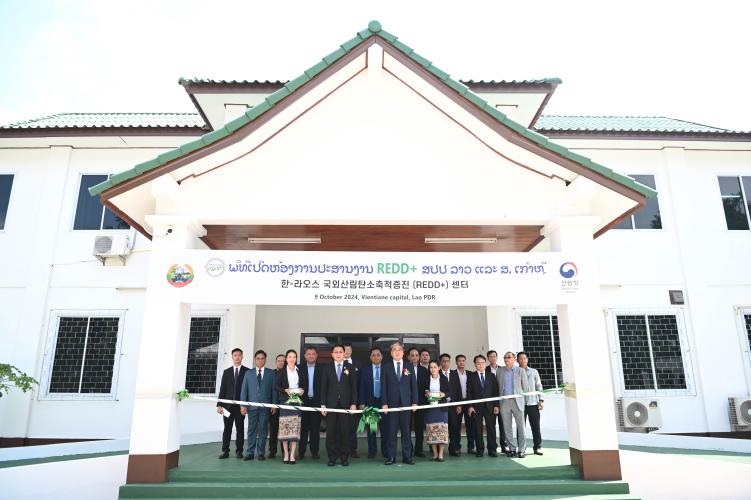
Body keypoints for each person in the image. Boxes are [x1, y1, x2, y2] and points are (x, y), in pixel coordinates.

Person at [380, 341, 418, 465]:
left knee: (406, 432)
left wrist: (414, 402)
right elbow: (383, 387)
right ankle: (391, 456)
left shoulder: (409, 366)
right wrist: (384, 403)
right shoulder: (385, 367)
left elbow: (414, 386)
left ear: (403, 352)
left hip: (406, 403)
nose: (397, 352)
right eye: (394, 350)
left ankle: (407, 456)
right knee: (391, 431)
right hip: (391, 404)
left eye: (399, 350)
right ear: (391, 353)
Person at [320, 344, 357, 466]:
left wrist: (353, 403)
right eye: (336, 352)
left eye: (340, 352)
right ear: (332, 354)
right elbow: (323, 388)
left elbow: (354, 388)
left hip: (346, 405)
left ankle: (344, 457)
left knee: (345, 432)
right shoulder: (327, 368)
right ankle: (332, 457)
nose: (338, 354)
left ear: (344, 353)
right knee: (331, 433)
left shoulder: (350, 367)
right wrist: (323, 404)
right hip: (331, 405)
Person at [239, 350, 277, 461]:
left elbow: (274, 390)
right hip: (252, 407)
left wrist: (274, 404)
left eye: (262, 358)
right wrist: (243, 405)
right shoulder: (248, 373)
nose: (260, 360)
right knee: (251, 429)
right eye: (258, 358)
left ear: (265, 360)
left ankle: (261, 453)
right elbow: (244, 390)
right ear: (255, 359)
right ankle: (250, 453)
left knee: (263, 430)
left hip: (265, 407)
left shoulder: (271, 373)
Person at [217, 348, 249, 459]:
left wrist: (245, 406)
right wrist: (219, 405)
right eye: (235, 355)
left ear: (242, 356)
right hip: (227, 407)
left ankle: (239, 451)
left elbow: (248, 391)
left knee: (240, 429)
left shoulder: (247, 372)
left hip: (240, 407)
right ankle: (225, 451)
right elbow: (223, 390)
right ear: (232, 357)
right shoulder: (227, 372)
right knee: (227, 428)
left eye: (239, 355)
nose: (237, 357)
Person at [275, 349, 306, 464]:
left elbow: (304, 385)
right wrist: (285, 390)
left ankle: (292, 454)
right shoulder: (282, 372)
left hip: (296, 402)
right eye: (290, 357)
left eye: (294, 357)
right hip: (285, 402)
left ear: (296, 358)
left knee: (294, 429)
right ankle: (286, 454)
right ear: (286, 359)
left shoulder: (300, 371)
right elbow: (276, 386)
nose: (292, 359)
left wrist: (302, 390)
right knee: (285, 429)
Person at [498, 351, 530, 458]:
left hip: (518, 402)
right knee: (507, 427)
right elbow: (498, 387)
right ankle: (511, 448)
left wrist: (525, 401)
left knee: (521, 427)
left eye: (508, 357)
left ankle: (522, 449)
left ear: (514, 359)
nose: (506, 359)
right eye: (505, 357)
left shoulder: (520, 371)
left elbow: (526, 388)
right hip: (505, 402)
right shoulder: (500, 370)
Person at [467, 354, 500, 457]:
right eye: (478, 363)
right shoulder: (471, 376)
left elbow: (495, 391)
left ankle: (492, 449)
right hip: (477, 407)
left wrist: (496, 405)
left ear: (485, 363)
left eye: (482, 363)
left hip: (490, 406)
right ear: (475, 365)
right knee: (477, 428)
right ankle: (480, 449)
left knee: (491, 428)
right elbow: (469, 392)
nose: (480, 365)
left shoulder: (491, 376)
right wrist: (470, 406)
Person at [358, 347, 387, 458]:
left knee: (385, 429)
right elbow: (362, 388)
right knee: (372, 429)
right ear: (370, 357)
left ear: (382, 357)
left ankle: (385, 451)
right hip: (370, 402)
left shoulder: (386, 369)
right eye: (373, 355)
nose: (376, 357)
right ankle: (372, 451)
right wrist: (362, 402)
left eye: (378, 355)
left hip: (384, 403)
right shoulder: (365, 370)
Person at [517, 351, 544, 455]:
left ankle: (537, 447)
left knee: (536, 426)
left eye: (524, 358)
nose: (523, 360)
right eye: (520, 358)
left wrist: (541, 400)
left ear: (527, 359)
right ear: (517, 360)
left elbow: (539, 386)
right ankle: (521, 449)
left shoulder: (534, 372)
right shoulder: (516, 372)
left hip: (533, 403)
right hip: (520, 405)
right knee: (521, 428)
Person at [299, 347, 323, 460]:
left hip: (316, 402)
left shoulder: (322, 368)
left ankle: (314, 451)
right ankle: (301, 452)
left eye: (313, 354)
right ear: (305, 356)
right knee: (303, 428)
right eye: (309, 354)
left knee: (315, 429)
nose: (311, 356)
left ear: (317, 355)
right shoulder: (299, 368)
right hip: (303, 402)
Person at [425, 360, 450, 462]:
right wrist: (426, 394)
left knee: (441, 431)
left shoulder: (444, 379)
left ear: (439, 368)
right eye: (431, 367)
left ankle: (441, 454)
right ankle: (435, 454)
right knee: (432, 431)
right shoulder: (426, 379)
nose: (433, 369)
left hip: (441, 409)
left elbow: (449, 392)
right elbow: (424, 391)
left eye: (435, 367)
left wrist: (444, 394)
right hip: (430, 409)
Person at [407, 347, 429, 458]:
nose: (414, 357)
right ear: (408, 357)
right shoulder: (403, 369)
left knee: (419, 428)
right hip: (407, 403)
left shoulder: (424, 370)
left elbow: (427, 387)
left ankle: (418, 450)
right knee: (407, 427)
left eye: (416, 355)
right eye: (412, 355)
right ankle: (408, 449)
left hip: (420, 403)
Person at [439, 353, 461, 456]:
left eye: (447, 361)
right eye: (443, 361)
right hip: (440, 405)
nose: (446, 363)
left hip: (453, 405)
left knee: (454, 427)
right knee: (440, 427)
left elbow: (458, 390)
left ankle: (454, 448)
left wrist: (459, 404)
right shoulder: (436, 373)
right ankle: (437, 448)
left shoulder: (454, 374)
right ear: (440, 362)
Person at [454, 354, 476, 455]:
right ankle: (456, 447)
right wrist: (457, 403)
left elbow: (472, 390)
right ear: (456, 362)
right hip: (458, 403)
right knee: (456, 426)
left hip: (468, 403)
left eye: (463, 360)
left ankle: (471, 447)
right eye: (459, 361)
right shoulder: (452, 374)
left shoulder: (471, 374)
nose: (461, 362)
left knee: (470, 426)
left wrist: (471, 404)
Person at [485, 350, 506, 454]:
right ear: (488, 358)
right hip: (490, 403)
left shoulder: (503, 369)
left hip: (502, 401)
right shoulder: (485, 370)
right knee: (491, 426)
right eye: (490, 356)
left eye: (494, 356)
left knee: (503, 424)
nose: (492, 358)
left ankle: (504, 446)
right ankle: (492, 447)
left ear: (497, 357)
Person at [343, 343, 361, 458]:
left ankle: (353, 449)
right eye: (345, 349)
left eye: (349, 349)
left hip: (355, 400)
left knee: (353, 426)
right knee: (341, 426)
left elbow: (359, 383)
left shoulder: (358, 364)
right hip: (342, 400)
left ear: (351, 351)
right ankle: (343, 448)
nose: (347, 351)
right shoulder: (339, 364)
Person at [267, 353, 285, 459]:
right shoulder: (271, 374)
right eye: (279, 360)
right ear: (276, 362)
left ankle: (284, 451)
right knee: (273, 430)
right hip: (274, 406)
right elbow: (269, 389)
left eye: (283, 360)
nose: (281, 362)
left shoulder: (289, 373)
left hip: (285, 405)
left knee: (284, 430)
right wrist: (272, 404)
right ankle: (272, 451)